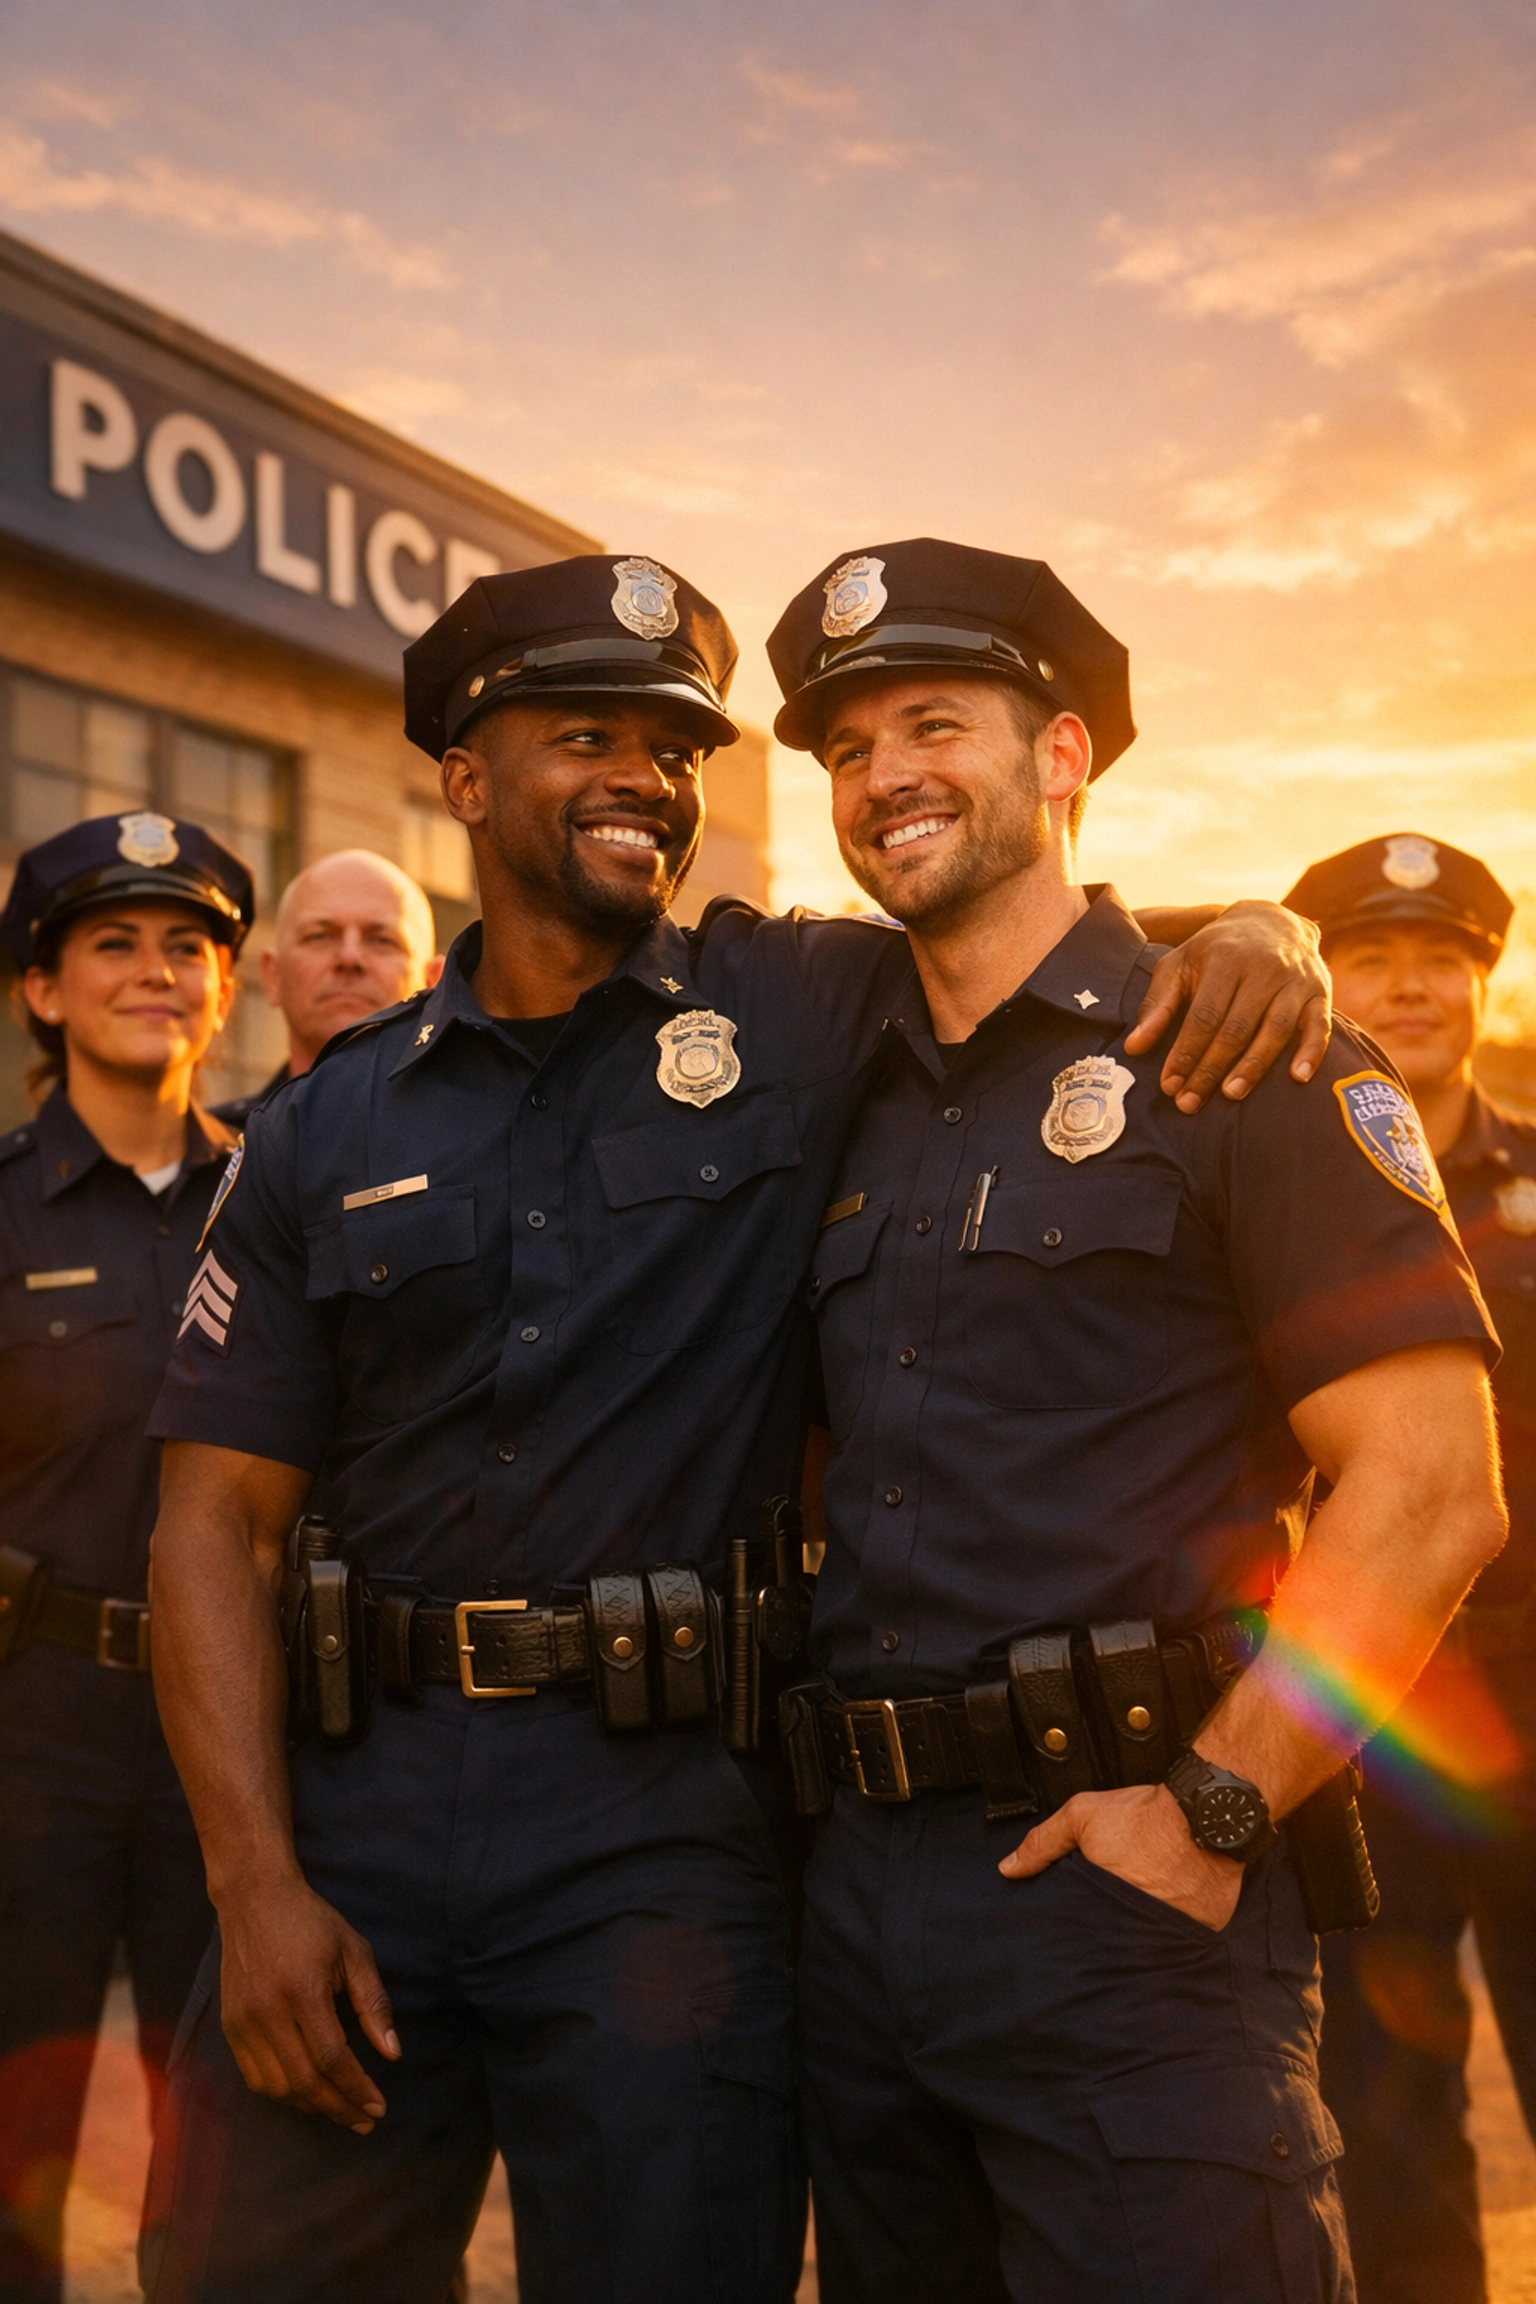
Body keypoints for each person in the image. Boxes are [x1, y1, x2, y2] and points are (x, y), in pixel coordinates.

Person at [139, 553, 1332, 2304]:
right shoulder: (328, 1120)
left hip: (664, 1829)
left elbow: (1035, 940)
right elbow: (209, 1528)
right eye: (586, 736)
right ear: (464, 778)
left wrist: (1258, 929)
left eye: (674, 748)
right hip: (355, 1812)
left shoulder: (796, 1004)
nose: (643, 777)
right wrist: (248, 1886)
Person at [762, 540, 1507, 2304]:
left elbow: (1429, 1492)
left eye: (933, 722)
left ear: (1066, 757)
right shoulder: (838, 1083)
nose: (885, 779)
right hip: (859, 1903)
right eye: (848, 749)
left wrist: (1216, 1808)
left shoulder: (1246, 1059)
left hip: (1134, 1900)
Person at [0, 812, 253, 2304]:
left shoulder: (274, 1199)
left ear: (227, 988)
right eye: (115, 945)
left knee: (226, 2123)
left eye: (190, 948)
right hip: (35, 1721)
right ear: (44, 990)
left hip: (228, 1726)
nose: (157, 973)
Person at [1284, 835, 1536, 2304]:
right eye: (1371, 958)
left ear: (1482, 977)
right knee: (1386, 2117)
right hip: (1371, 1718)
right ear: (1327, 982)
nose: (1409, 986)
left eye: (1437, 957)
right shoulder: (1279, 1187)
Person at [214, 849, 441, 1125]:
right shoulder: (216, 1159)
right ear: (273, 976)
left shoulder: (483, 1147)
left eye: (382, 940)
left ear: (433, 983)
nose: (349, 957)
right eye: (319, 936)